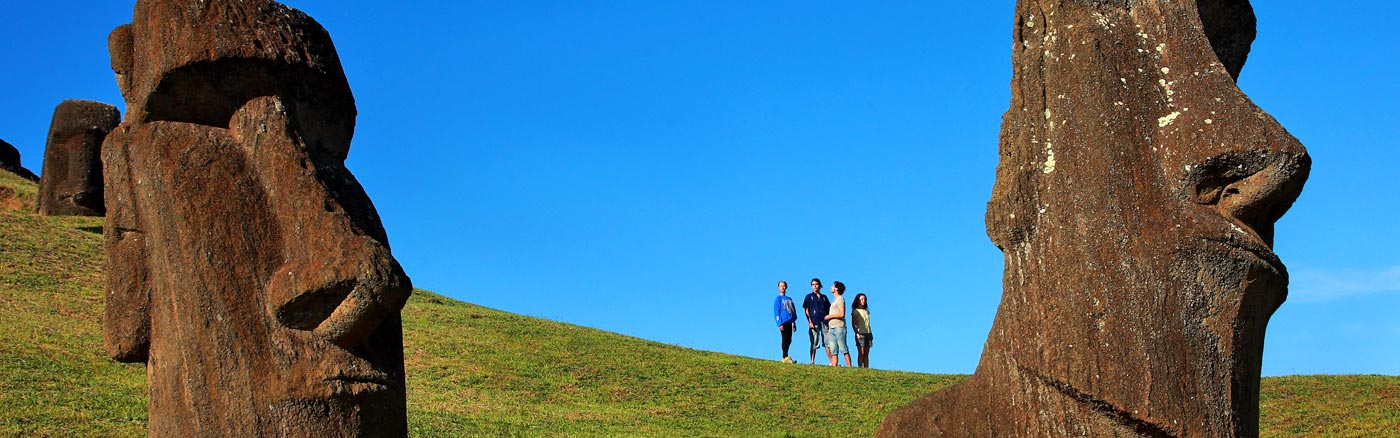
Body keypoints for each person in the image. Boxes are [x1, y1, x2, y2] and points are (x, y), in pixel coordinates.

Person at [801, 278, 830, 365]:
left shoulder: (824, 297)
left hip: (824, 322)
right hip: (814, 321)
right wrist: (810, 321)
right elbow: (806, 310)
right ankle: (812, 361)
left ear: (820, 285)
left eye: (816, 284)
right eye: (813, 284)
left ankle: (832, 361)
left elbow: (829, 308)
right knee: (814, 341)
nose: (815, 286)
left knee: (827, 342)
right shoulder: (809, 297)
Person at [823, 281, 852, 367]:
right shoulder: (834, 300)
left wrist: (829, 316)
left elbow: (842, 314)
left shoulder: (840, 299)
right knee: (833, 350)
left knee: (843, 348)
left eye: (833, 286)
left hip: (839, 327)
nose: (831, 287)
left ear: (836, 288)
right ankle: (834, 367)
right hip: (832, 328)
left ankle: (850, 367)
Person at [772, 280, 798, 363]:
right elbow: (776, 311)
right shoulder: (778, 299)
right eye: (781, 286)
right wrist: (779, 323)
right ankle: (785, 356)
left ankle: (786, 355)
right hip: (783, 321)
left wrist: (794, 322)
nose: (782, 287)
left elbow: (793, 310)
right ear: (778, 288)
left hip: (790, 322)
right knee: (785, 338)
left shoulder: (789, 299)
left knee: (789, 339)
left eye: (784, 286)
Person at [852, 293, 873, 368]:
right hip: (860, 333)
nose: (863, 301)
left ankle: (866, 367)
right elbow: (853, 324)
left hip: (868, 332)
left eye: (864, 299)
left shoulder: (866, 311)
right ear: (858, 300)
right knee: (861, 352)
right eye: (862, 299)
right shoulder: (855, 311)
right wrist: (856, 333)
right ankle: (860, 366)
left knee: (866, 353)